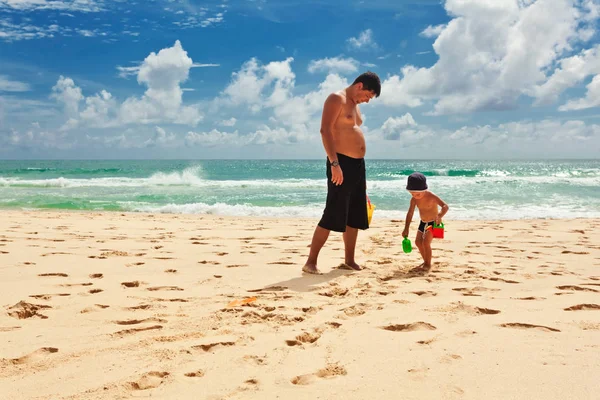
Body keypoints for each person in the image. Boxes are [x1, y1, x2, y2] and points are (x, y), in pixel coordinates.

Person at [302, 71, 381, 275]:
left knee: (355, 213)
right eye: (367, 96)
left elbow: (354, 128)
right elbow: (325, 130)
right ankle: (310, 262)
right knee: (332, 212)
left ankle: (349, 260)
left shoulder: (355, 105)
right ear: (359, 86)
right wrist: (334, 163)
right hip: (340, 163)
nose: (367, 101)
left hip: (357, 165)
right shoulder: (336, 98)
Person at [401, 172, 449, 270]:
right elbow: (410, 213)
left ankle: (428, 264)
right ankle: (425, 261)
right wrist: (406, 228)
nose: (415, 196)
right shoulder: (414, 199)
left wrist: (440, 215)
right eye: (412, 193)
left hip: (433, 223)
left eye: (418, 194)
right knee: (418, 242)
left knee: (426, 243)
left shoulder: (431, 196)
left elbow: (445, 206)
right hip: (423, 222)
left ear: (424, 190)